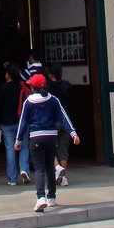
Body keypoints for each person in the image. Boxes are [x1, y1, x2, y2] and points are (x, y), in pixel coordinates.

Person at [15, 73, 79, 212]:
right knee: (50, 168)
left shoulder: (29, 102)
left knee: (39, 169)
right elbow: (63, 117)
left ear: (32, 87)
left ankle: (40, 197)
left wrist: (18, 141)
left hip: (36, 137)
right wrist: (73, 133)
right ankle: (52, 197)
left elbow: (23, 123)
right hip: (51, 137)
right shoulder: (53, 100)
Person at [0, 63, 30, 185]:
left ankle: (12, 179)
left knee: (10, 149)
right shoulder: (22, 87)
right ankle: (24, 170)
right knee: (24, 147)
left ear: (7, 75)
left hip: (7, 123)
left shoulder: (3, 88)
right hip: (21, 121)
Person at [48, 62, 73, 183]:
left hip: (54, 120)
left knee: (49, 147)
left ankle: (57, 168)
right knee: (63, 150)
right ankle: (62, 178)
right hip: (66, 120)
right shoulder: (66, 86)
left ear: (50, 74)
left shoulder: (49, 87)